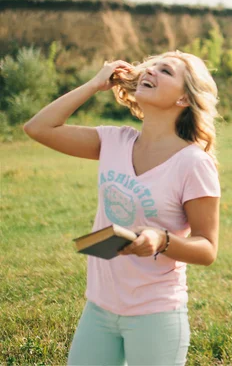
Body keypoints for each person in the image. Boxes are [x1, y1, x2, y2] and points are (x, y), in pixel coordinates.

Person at [23, 50, 221, 365]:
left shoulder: (193, 163)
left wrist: (161, 240)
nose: (151, 71)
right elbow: (38, 128)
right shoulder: (113, 141)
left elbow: (207, 248)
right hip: (99, 308)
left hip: (155, 313)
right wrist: (93, 84)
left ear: (184, 99)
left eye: (165, 71)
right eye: (151, 66)